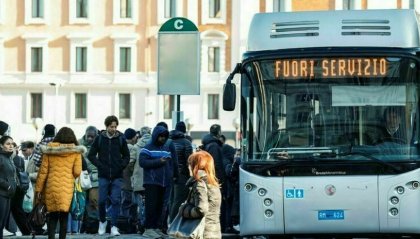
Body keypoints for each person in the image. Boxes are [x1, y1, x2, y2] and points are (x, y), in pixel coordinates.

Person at [35, 127, 84, 239]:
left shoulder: (49, 151)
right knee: (64, 216)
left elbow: (43, 172)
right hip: (67, 187)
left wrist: (38, 189)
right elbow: (77, 171)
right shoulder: (76, 152)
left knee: (52, 215)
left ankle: (51, 237)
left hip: (51, 187)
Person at [87, 115, 130, 236]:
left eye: (116, 126)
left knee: (116, 200)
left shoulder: (121, 139)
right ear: (106, 126)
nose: (114, 128)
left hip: (117, 175)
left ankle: (114, 227)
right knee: (101, 201)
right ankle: (102, 221)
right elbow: (91, 155)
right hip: (103, 175)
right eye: (112, 126)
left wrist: (121, 165)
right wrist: (100, 165)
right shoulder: (100, 138)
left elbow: (127, 156)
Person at [139, 125, 177, 238]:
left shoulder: (166, 148)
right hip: (151, 182)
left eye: (164, 137)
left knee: (160, 207)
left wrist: (173, 175)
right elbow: (142, 162)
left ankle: (156, 228)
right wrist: (158, 161)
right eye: (160, 136)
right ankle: (148, 229)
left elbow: (171, 164)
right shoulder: (147, 148)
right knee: (151, 206)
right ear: (156, 136)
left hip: (164, 182)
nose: (163, 139)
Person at [180, 150, 222, 239]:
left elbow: (201, 209)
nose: (188, 167)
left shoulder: (199, 183)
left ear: (196, 166)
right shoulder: (213, 183)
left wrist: (184, 210)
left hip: (202, 233)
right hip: (214, 232)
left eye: (190, 164)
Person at [201, 124, 227, 232]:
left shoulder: (208, 144)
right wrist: (221, 179)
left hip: (210, 177)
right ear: (219, 132)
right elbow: (216, 165)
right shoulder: (214, 146)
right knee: (218, 203)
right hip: (215, 179)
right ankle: (220, 227)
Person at [168, 121, 193, 223]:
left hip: (169, 174)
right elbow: (189, 161)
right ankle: (174, 223)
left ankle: (169, 222)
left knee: (171, 200)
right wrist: (190, 175)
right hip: (181, 175)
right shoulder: (186, 143)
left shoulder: (168, 141)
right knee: (179, 200)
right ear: (184, 130)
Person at [78, 126, 99, 234]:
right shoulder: (79, 145)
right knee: (82, 203)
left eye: (92, 137)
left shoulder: (100, 144)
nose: (90, 139)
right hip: (82, 178)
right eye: (88, 136)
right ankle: (84, 226)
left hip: (95, 179)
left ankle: (92, 227)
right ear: (85, 134)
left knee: (93, 202)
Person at [132, 126, 151, 234]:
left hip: (138, 180)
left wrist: (134, 172)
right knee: (150, 204)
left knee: (139, 205)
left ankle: (140, 226)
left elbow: (131, 162)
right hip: (151, 180)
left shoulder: (136, 147)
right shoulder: (154, 146)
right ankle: (148, 225)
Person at [0, 136, 17, 239]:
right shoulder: (1, 158)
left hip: (8, 194)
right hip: (1, 194)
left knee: (2, 224)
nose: (11, 146)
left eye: (12, 144)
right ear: (1, 145)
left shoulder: (8, 158)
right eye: (8, 144)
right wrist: (7, 185)